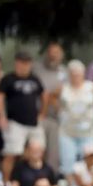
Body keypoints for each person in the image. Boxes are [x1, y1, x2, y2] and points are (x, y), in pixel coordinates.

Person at [0, 51, 46, 186]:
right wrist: (1, 117)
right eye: (22, 63)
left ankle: (34, 182)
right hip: (15, 123)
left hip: (34, 123)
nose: (24, 66)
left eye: (27, 63)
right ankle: (6, 184)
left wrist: (42, 113)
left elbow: (44, 96)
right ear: (16, 63)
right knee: (11, 153)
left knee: (38, 151)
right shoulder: (8, 79)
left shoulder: (35, 79)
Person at [54, 60, 93, 176]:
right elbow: (51, 97)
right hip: (68, 131)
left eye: (78, 74)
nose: (76, 77)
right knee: (68, 161)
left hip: (88, 132)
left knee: (89, 159)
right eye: (73, 74)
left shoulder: (90, 86)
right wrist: (59, 110)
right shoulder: (64, 87)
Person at [33, 42, 68, 170]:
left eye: (56, 53)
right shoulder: (36, 69)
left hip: (56, 118)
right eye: (51, 52)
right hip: (38, 116)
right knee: (38, 149)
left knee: (54, 153)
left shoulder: (65, 72)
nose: (53, 56)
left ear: (61, 55)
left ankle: (51, 180)